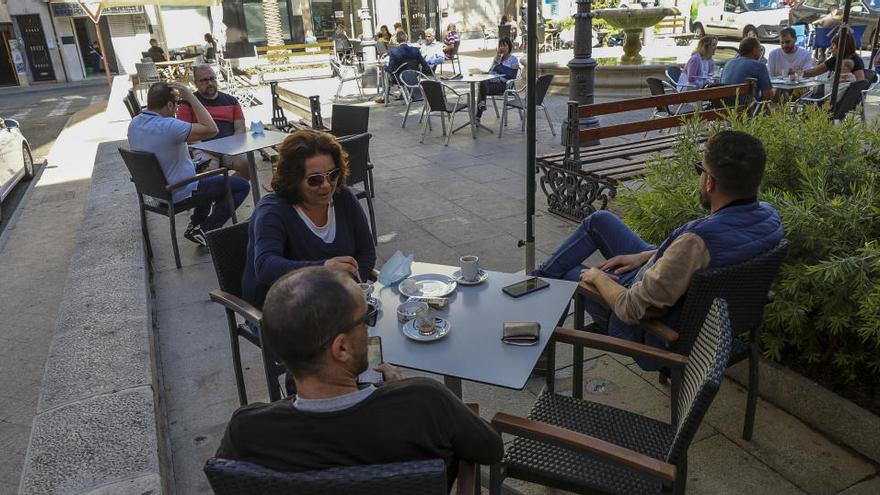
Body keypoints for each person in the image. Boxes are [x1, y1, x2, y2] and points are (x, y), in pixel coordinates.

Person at [218, 266, 504, 488]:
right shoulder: (425, 403)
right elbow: (490, 449)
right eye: (366, 318)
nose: (369, 328)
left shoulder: (247, 431)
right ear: (340, 347)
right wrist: (401, 391)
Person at [532, 131, 783, 369]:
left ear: (709, 182)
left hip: (645, 331)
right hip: (679, 301)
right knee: (599, 221)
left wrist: (596, 277)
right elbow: (701, 261)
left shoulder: (696, 241)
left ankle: (534, 325)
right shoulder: (769, 220)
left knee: (568, 273)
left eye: (701, 170)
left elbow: (631, 308)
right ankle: (536, 281)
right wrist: (647, 256)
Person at [241, 130, 376, 309]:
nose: (327, 185)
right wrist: (324, 269)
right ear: (293, 179)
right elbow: (265, 266)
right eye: (315, 180)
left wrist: (354, 284)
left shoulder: (343, 197)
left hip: (332, 299)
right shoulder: (272, 211)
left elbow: (366, 251)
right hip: (280, 309)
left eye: (333, 174)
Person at [127, 82, 250, 246]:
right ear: (169, 105)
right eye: (176, 104)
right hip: (178, 192)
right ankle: (207, 230)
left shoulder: (134, 124)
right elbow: (212, 129)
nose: (177, 108)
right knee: (240, 185)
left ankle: (195, 224)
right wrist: (191, 97)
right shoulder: (169, 125)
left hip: (157, 191)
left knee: (205, 174)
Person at [176, 65, 251, 180]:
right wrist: (210, 149)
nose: (210, 83)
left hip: (230, 148)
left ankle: (227, 192)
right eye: (204, 80)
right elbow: (186, 134)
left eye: (212, 78)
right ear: (195, 83)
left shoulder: (231, 101)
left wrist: (232, 147)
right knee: (206, 173)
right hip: (202, 149)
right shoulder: (187, 103)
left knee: (247, 165)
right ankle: (225, 191)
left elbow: (240, 129)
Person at [476, 36, 520, 121]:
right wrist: (495, 62)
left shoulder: (513, 59)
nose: (502, 48)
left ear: (509, 47)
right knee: (482, 82)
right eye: (501, 46)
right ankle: (481, 107)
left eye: (505, 45)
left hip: (505, 85)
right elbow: (490, 73)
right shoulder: (499, 58)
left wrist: (500, 68)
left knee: (482, 91)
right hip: (493, 83)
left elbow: (512, 75)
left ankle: (478, 116)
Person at [720, 37, 775, 102]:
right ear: (754, 50)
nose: (760, 52)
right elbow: (768, 96)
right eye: (760, 49)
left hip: (725, 107)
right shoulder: (759, 66)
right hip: (747, 108)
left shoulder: (728, 63)